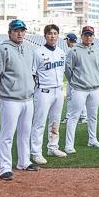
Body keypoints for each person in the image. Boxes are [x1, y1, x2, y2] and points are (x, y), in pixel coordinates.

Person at [0, 19, 39, 180]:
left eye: (22, 30)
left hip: (27, 98)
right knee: (7, 134)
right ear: (9, 32)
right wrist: (1, 92)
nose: (20, 33)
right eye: (16, 30)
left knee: (25, 132)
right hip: (10, 99)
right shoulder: (2, 49)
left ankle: (24, 161)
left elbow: (32, 72)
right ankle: (4, 167)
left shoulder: (29, 49)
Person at [64, 26, 99, 150]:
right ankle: (69, 145)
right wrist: (74, 81)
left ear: (93, 36)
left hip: (94, 88)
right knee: (74, 116)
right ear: (81, 36)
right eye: (86, 35)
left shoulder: (98, 50)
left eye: (90, 35)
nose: (88, 37)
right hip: (79, 88)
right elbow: (68, 69)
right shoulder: (74, 51)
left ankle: (92, 140)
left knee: (92, 116)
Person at [30, 24, 67, 161]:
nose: (52, 36)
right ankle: (36, 152)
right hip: (44, 91)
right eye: (49, 33)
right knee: (39, 122)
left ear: (58, 35)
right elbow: (33, 74)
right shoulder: (38, 52)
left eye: (55, 33)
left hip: (58, 90)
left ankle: (53, 147)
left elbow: (62, 71)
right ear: (45, 36)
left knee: (55, 121)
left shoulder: (61, 53)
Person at [62, 32, 87, 125]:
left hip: (74, 78)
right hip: (76, 78)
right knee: (72, 97)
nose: (66, 42)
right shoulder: (78, 49)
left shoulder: (73, 50)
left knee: (74, 97)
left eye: (67, 40)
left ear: (69, 40)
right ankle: (81, 116)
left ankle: (81, 116)